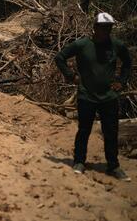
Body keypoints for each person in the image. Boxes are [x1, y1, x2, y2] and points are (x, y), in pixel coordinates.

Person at [55, 12, 132, 181]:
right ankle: (79, 162)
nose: (105, 31)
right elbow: (60, 57)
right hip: (86, 95)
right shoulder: (82, 45)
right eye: (102, 27)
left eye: (109, 28)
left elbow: (127, 63)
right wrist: (71, 76)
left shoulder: (116, 45)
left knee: (111, 132)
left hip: (109, 97)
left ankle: (113, 166)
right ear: (95, 27)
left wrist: (122, 81)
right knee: (84, 130)